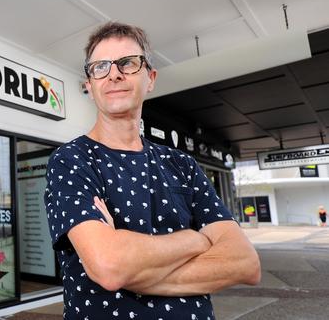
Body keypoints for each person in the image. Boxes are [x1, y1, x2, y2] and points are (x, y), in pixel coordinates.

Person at [44, 22, 261, 319]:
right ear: (89, 86)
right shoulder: (72, 160)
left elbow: (245, 263)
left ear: (151, 78)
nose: (114, 74)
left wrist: (132, 267)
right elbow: (109, 266)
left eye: (128, 63)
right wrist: (195, 240)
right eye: (100, 67)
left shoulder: (182, 164)